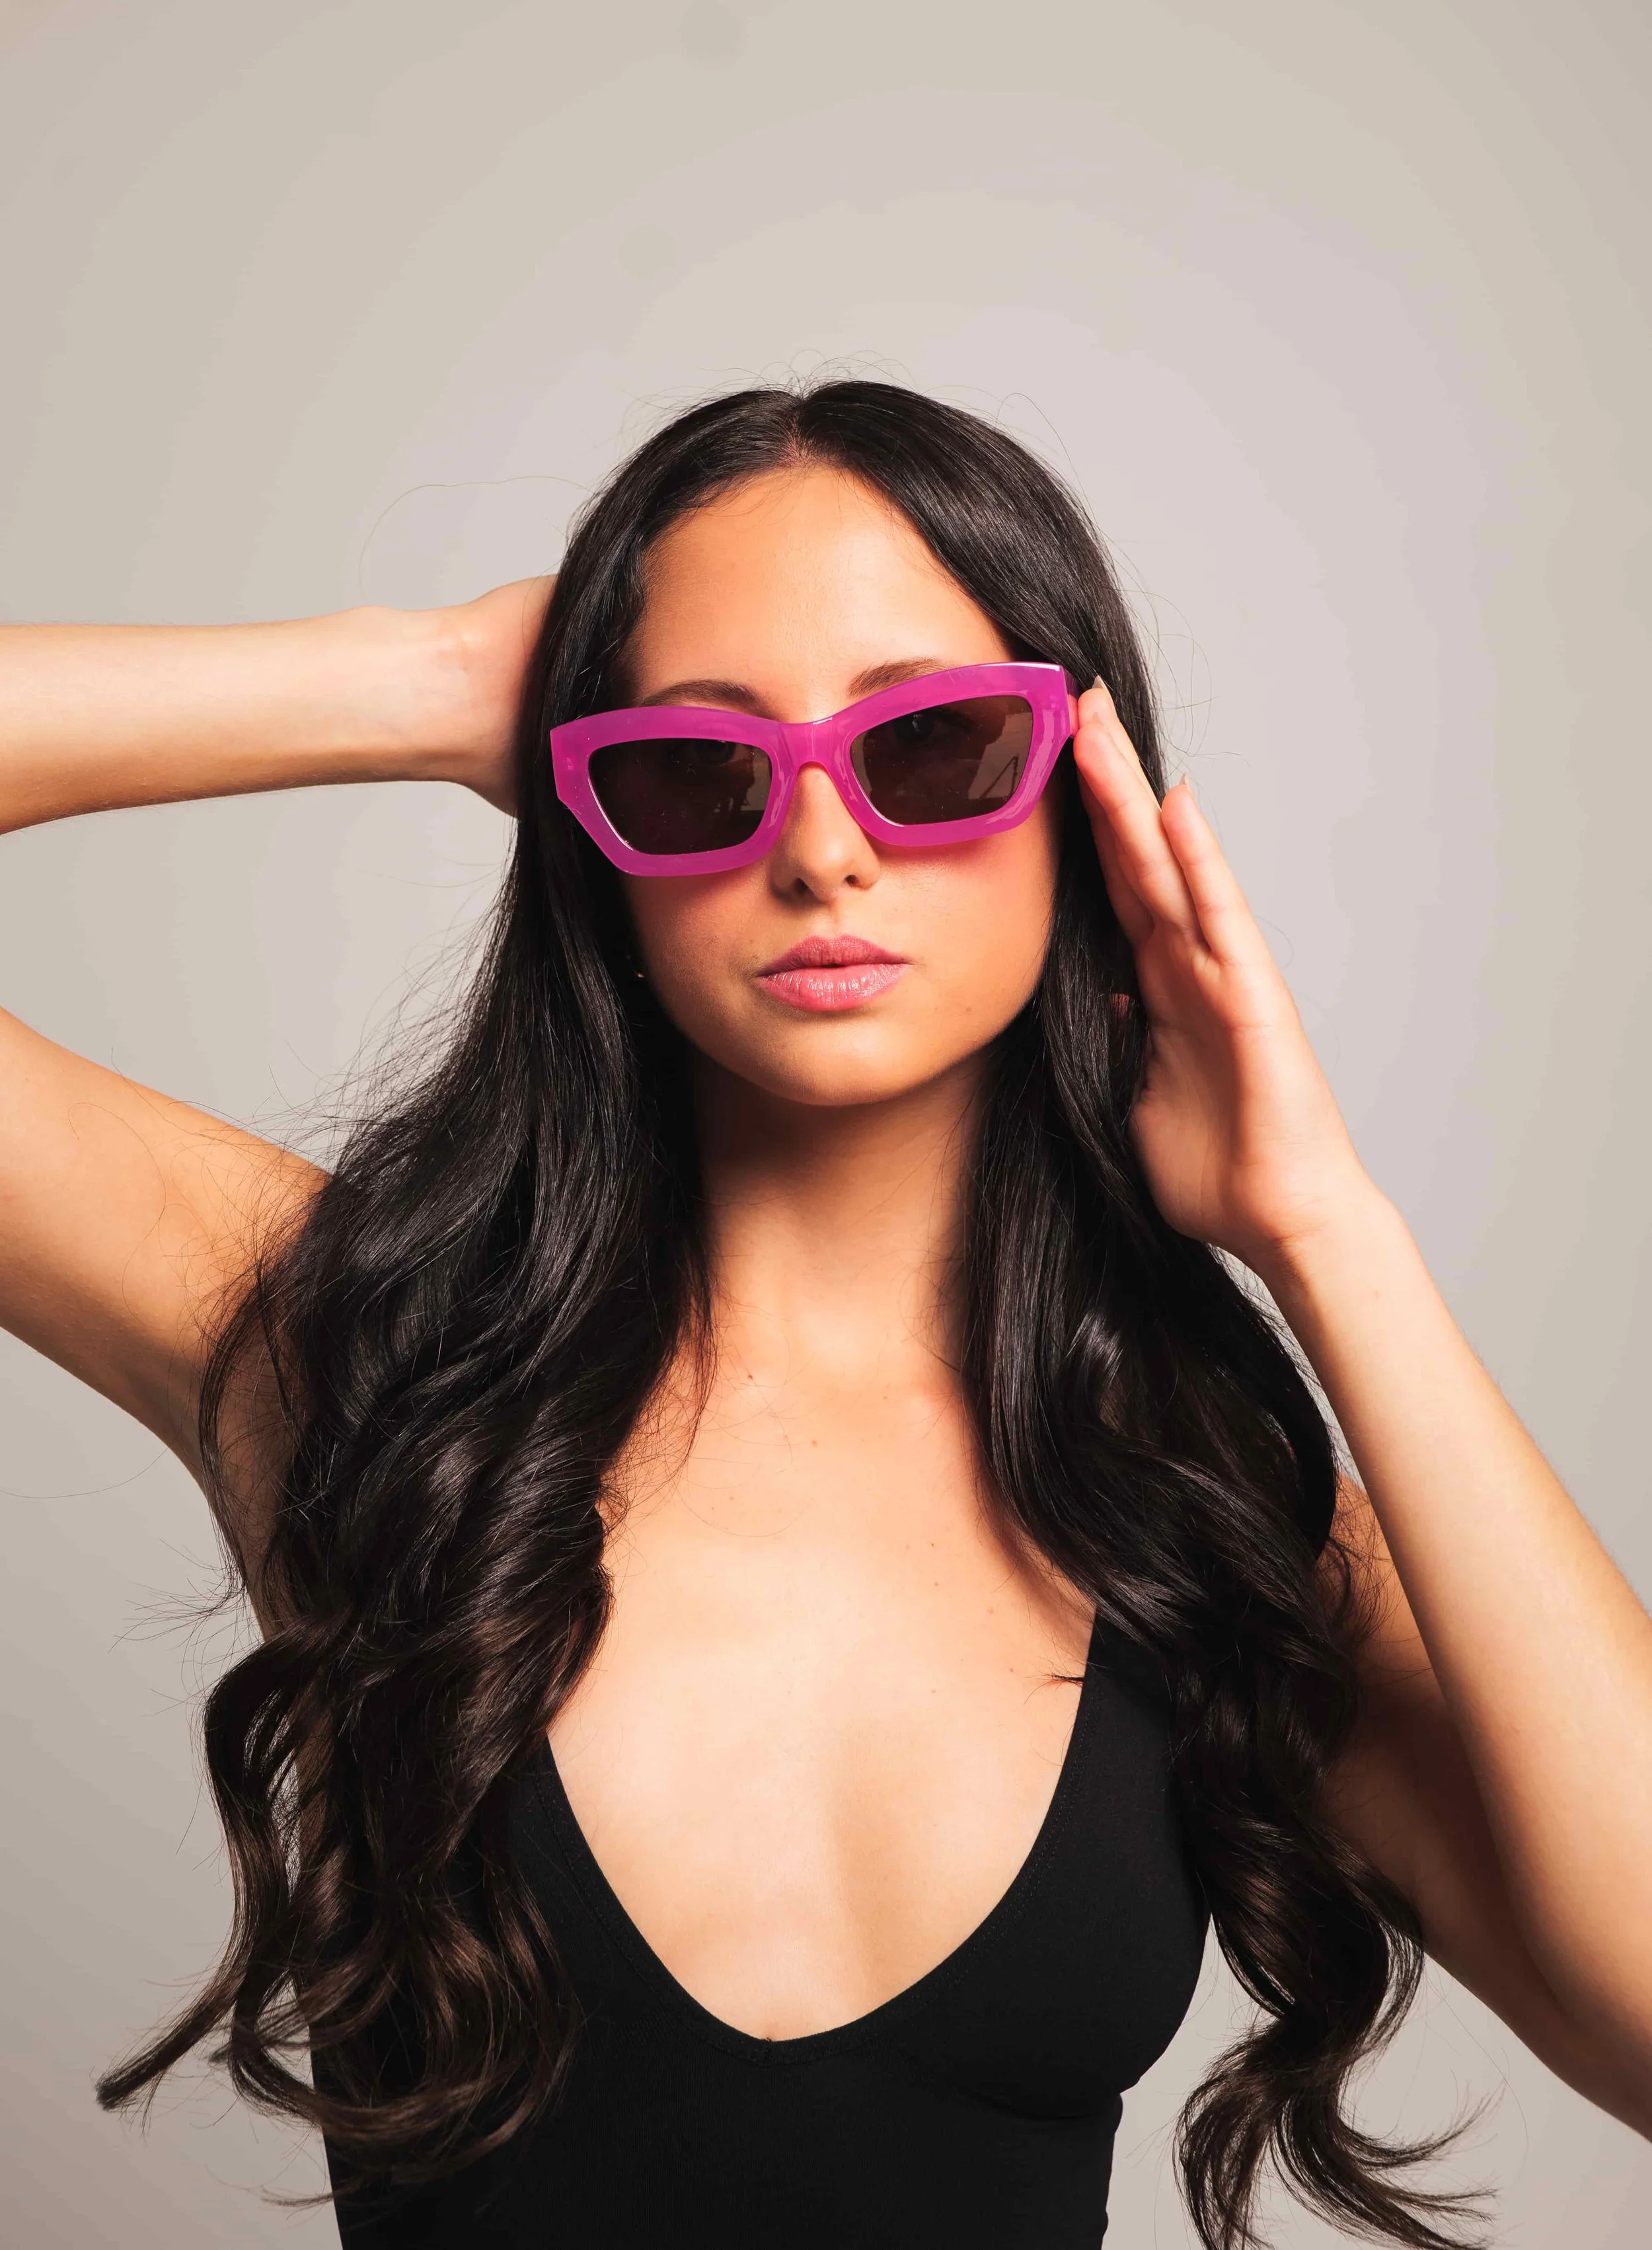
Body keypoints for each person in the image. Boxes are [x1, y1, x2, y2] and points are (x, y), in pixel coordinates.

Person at [1, 379, 1648, 2250]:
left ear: (1078, 798)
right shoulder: (368, 1359)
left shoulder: (1202, 1506)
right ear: (592, 829)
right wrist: (430, 681)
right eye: (698, 772)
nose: (824, 847)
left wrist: (1324, 1229)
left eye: (933, 746)